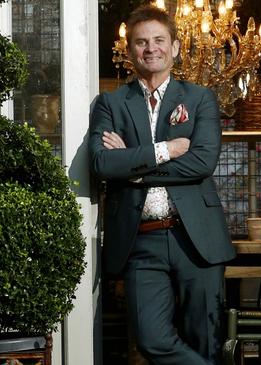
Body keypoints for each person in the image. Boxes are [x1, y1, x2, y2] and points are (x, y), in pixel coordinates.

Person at [88, 4, 235, 365]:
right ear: (130, 51)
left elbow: (202, 162)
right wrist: (165, 150)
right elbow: (102, 162)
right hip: (141, 241)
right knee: (152, 340)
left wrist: (134, 166)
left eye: (158, 40)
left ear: (175, 47)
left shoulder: (200, 98)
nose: (150, 48)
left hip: (196, 238)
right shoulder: (111, 103)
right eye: (141, 42)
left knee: (206, 343)